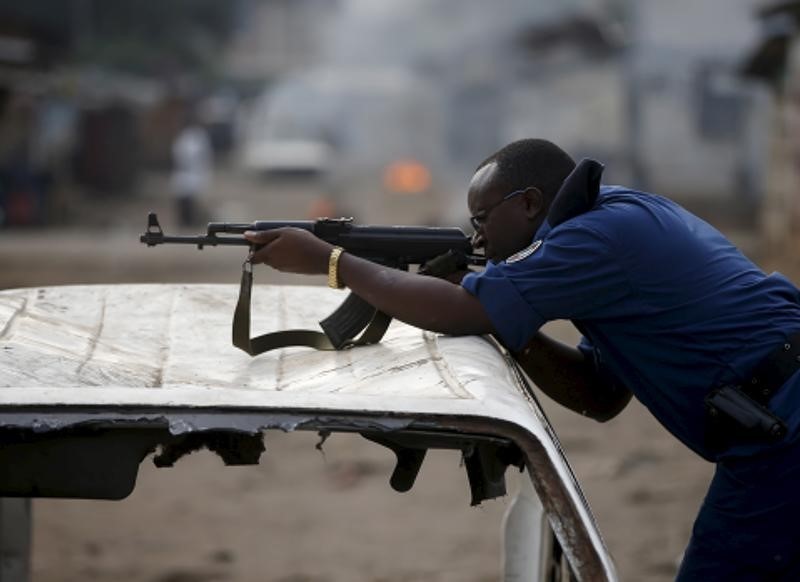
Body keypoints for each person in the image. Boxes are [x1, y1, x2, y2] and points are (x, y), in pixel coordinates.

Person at [244, 138, 800, 580]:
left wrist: (332, 260)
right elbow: (599, 396)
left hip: (783, 431)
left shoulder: (594, 238)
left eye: (482, 219)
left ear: (530, 203)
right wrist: (507, 323)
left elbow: (461, 312)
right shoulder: (612, 222)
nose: (477, 237)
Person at [170, 112, 213, 227]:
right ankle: (183, 222)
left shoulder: (199, 136)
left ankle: (191, 221)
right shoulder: (184, 136)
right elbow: (178, 154)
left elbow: (203, 155)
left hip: (195, 172)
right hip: (184, 172)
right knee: (182, 198)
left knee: (192, 199)